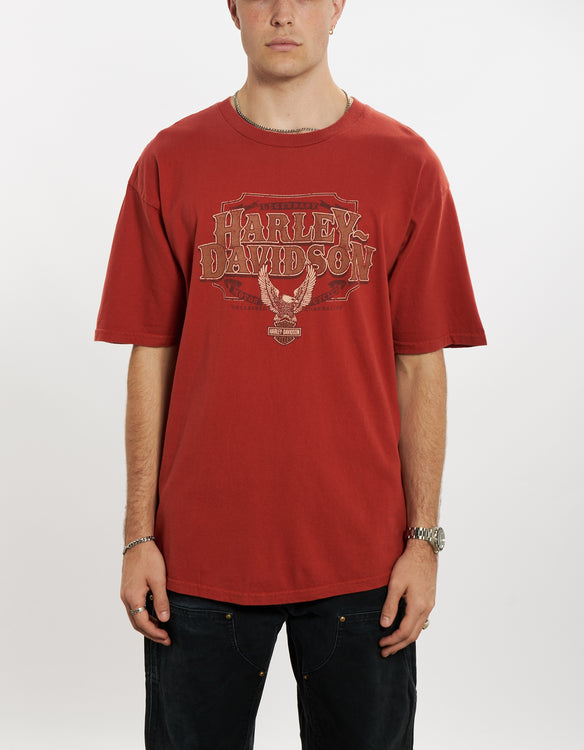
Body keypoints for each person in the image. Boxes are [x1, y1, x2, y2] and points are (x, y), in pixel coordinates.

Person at [95, 1, 487, 747]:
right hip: (197, 563)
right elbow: (151, 354)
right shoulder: (170, 161)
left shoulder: (407, 165)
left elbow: (420, 364)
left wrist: (424, 540)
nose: (283, 13)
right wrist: (137, 535)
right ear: (232, 8)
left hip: (365, 563)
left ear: (338, 7)